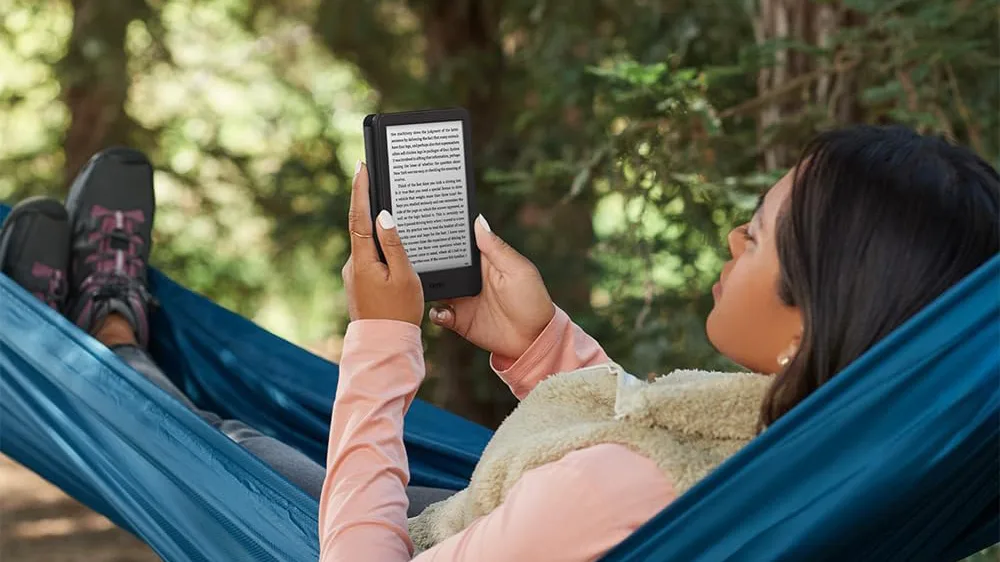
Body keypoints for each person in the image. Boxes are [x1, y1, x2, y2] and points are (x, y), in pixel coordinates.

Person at [3, 126, 997, 561]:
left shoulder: (621, 490)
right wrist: (536, 340)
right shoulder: (798, 449)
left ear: (815, 313)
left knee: (221, 450)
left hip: (409, 539)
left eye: (761, 231)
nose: (734, 237)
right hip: (479, 517)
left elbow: (612, 488)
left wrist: (383, 335)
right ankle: (113, 329)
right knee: (243, 441)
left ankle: (110, 335)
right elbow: (651, 438)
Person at [0, 147, 454, 516]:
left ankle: (104, 336)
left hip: (437, 531)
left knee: (224, 462)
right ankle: (94, 332)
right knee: (231, 458)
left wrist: (385, 333)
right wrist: (524, 350)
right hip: (502, 498)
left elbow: (364, 532)